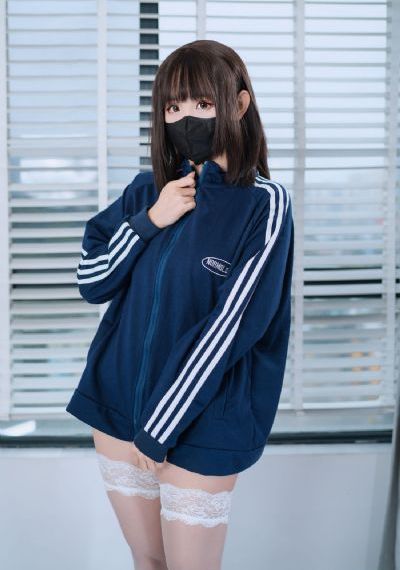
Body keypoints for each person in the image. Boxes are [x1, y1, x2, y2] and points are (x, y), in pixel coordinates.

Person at [66, 38, 294, 570]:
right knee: (148, 561)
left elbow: (232, 325)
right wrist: (149, 222)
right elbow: (92, 280)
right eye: (173, 106)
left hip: (201, 420)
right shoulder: (146, 191)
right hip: (117, 406)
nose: (186, 117)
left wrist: (161, 424)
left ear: (239, 104)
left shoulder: (264, 204)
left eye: (203, 103)